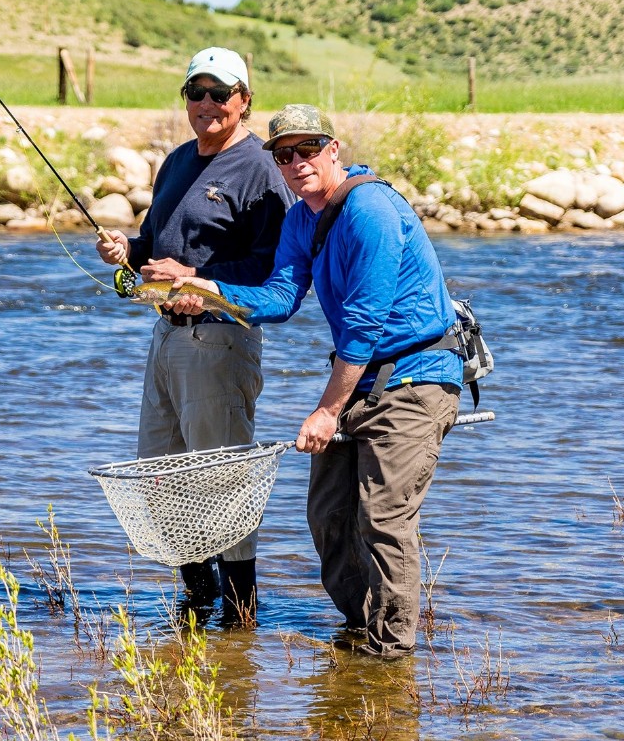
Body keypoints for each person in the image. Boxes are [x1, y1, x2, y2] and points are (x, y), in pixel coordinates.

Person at [168, 104, 463, 656]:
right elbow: (280, 297)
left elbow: (364, 323)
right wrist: (210, 291)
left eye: (308, 150)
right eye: (285, 156)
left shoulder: (369, 209)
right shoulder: (302, 218)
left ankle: (390, 654)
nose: (297, 163)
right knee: (328, 515)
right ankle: (362, 632)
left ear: (333, 151)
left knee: (383, 519)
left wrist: (327, 411)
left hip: (418, 376)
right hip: (363, 377)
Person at [95, 47, 294, 625]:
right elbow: (152, 244)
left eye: (219, 92)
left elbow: (276, 270)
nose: (206, 103)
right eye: (195, 92)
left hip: (220, 341)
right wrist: (126, 251)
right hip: (166, 337)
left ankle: (240, 618)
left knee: (221, 481)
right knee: (160, 475)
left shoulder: (260, 167)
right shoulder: (179, 160)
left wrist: (197, 281)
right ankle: (196, 601)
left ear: (244, 101)